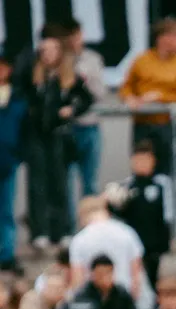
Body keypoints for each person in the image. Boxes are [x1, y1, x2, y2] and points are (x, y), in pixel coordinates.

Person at [24, 25, 94, 251]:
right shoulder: (33, 78)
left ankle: (62, 229)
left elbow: (86, 99)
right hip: (37, 136)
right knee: (38, 184)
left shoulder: (68, 78)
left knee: (60, 183)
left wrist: (70, 110)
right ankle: (40, 230)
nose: (48, 55)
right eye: (44, 51)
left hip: (59, 135)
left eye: (53, 50)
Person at [120, 19, 176, 172]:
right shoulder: (142, 60)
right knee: (141, 167)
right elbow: (126, 86)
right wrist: (129, 98)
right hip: (142, 123)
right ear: (162, 37)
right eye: (175, 37)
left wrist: (158, 97)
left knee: (168, 168)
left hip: (167, 123)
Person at [105, 140, 173, 292]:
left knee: (152, 278)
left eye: (145, 160)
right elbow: (120, 214)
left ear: (153, 161)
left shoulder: (161, 184)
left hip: (153, 243)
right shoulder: (128, 186)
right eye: (137, 160)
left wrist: (165, 241)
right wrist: (110, 203)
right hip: (134, 242)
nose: (141, 164)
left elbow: (168, 213)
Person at [68, 196, 145, 309]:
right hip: (124, 299)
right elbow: (137, 274)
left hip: (93, 302)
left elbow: (78, 280)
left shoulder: (80, 240)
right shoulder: (128, 233)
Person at [65, 19, 106, 213]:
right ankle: (70, 230)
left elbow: (101, 93)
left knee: (90, 181)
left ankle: (91, 226)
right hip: (67, 126)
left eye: (77, 35)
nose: (75, 40)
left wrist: (85, 79)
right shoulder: (61, 60)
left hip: (89, 125)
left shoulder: (93, 59)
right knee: (66, 182)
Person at [0, 53, 27, 272]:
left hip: (8, 160)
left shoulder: (18, 97)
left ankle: (7, 254)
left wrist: (18, 154)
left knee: (7, 210)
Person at [76, 255, 140, 309]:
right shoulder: (83, 297)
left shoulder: (122, 295)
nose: (105, 277)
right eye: (100, 274)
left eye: (108, 273)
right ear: (92, 274)